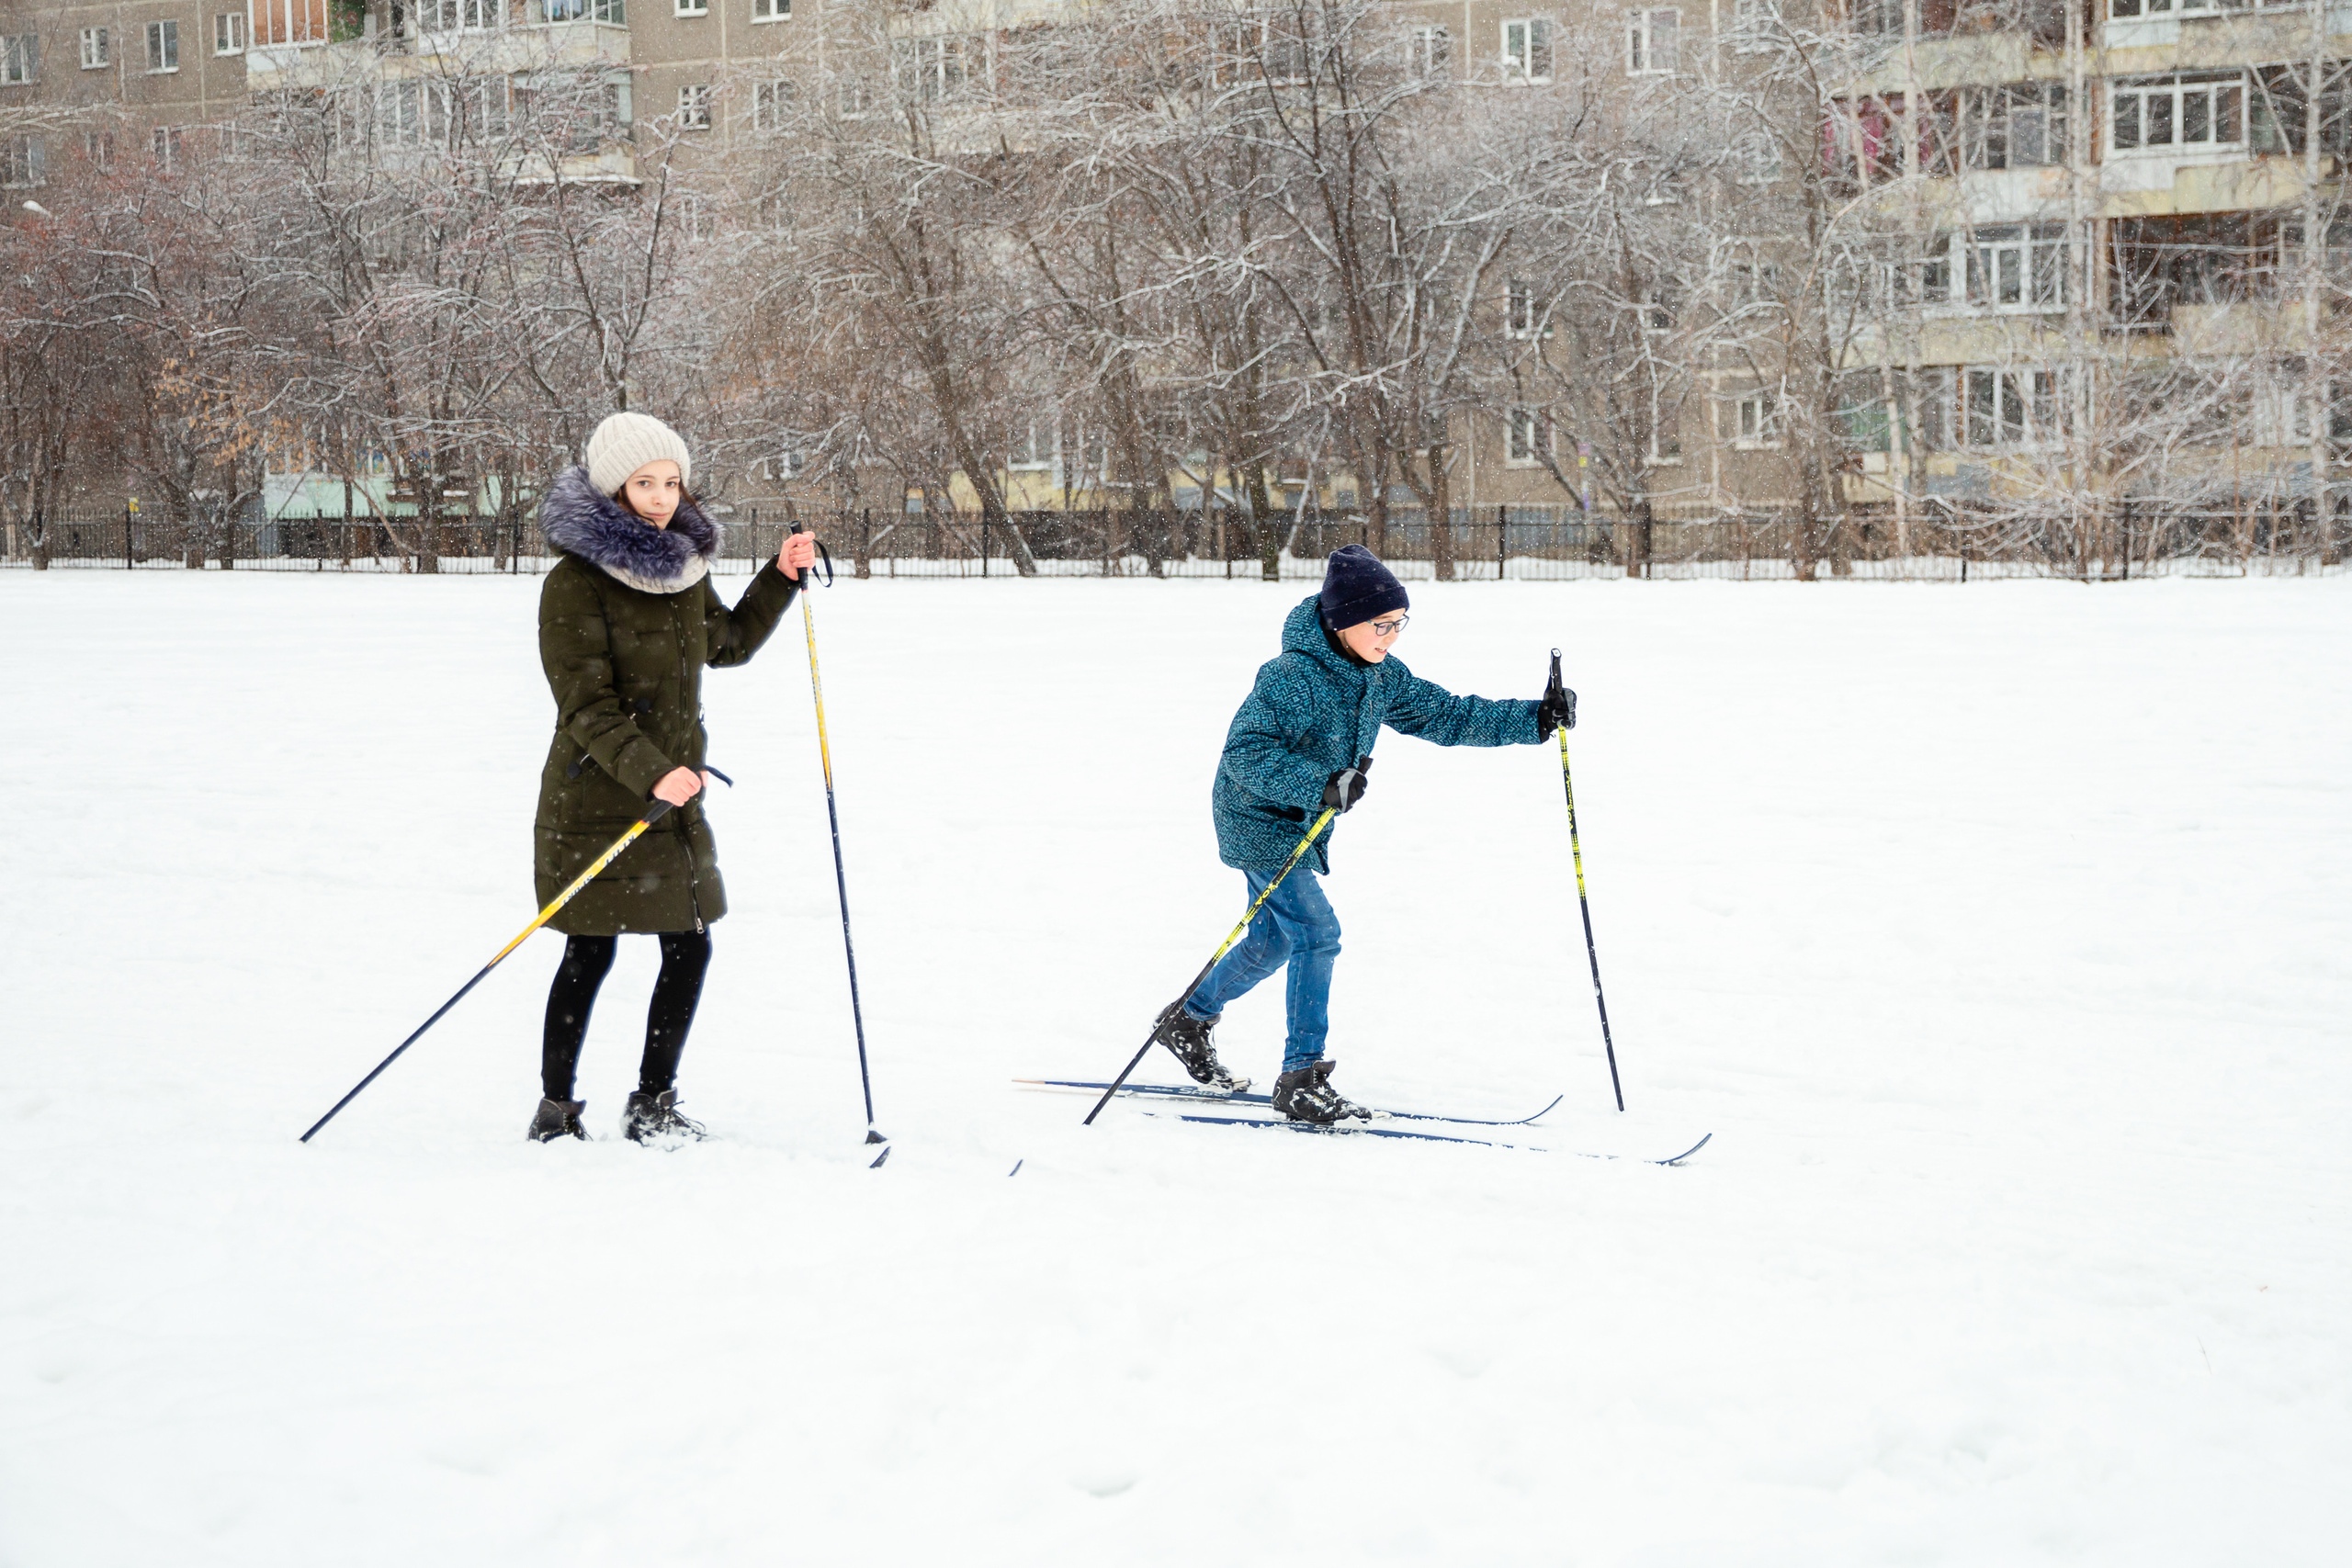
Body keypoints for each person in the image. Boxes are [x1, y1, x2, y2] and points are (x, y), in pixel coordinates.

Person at [1157, 545, 1577, 1124]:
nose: (1391, 637)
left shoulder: (1381, 676)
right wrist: (1321, 782)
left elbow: (1446, 715)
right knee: (1316, 932)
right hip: (1259, 817)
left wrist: (1534, 717)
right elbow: (1244, 755)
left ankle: (1188, 1019)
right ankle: (1300, 1078)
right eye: (1381, 625)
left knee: (1275, 940)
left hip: (1304, 819)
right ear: (1340, 621)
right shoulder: (1290, 678)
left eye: (1398, 624)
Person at [527, 411, 819, 1145]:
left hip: (674, 798)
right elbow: (584, 706)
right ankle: (555, 1109)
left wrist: (779, 579)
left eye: (671, 481)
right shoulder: (575, 583)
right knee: (590, 949)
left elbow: (725, 644)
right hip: (597, 796)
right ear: (612, 487)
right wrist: (653, 772)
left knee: (690, 943)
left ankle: (653, 1100)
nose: (662, 496)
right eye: (644, 482)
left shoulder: (684, 569)